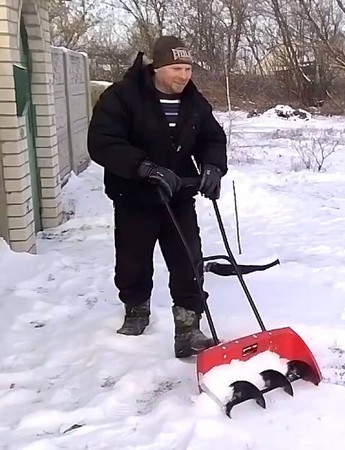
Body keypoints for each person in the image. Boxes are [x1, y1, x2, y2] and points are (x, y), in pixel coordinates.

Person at [87, 36, 227, 358]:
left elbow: (212, 138)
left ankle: (188, 326)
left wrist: (213, 167)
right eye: (176, 68)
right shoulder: (122, 96)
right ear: (157, 67)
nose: (184, 75)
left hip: (178, 196)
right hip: (134, 196)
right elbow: (102, 142)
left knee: (188, 259)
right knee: (133, 260)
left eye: (188, 68)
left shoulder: (194, 102)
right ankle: (136, 310)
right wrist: (144, 168)